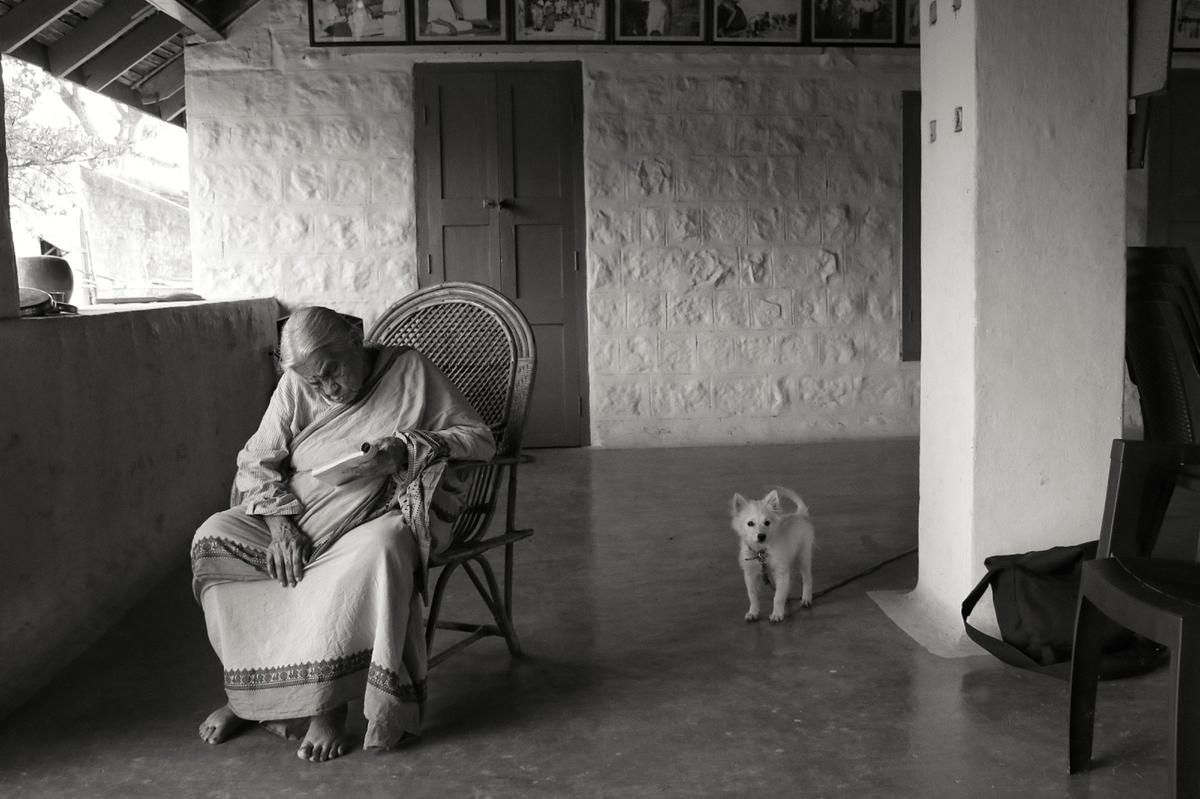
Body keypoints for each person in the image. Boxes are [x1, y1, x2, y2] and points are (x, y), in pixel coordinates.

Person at [192, 307, 495, 762]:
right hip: (295, 517)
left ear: (356, 337)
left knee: (384, 547)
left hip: (376, 515)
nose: (326, 388)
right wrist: (280, 527)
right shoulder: (296, 385)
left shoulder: (409, 370)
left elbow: (479, 438)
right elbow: (256, 460)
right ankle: (255, 698)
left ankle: (328, 705)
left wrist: (408, 447)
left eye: (331, 371)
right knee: (212, 538)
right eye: (315, 382)